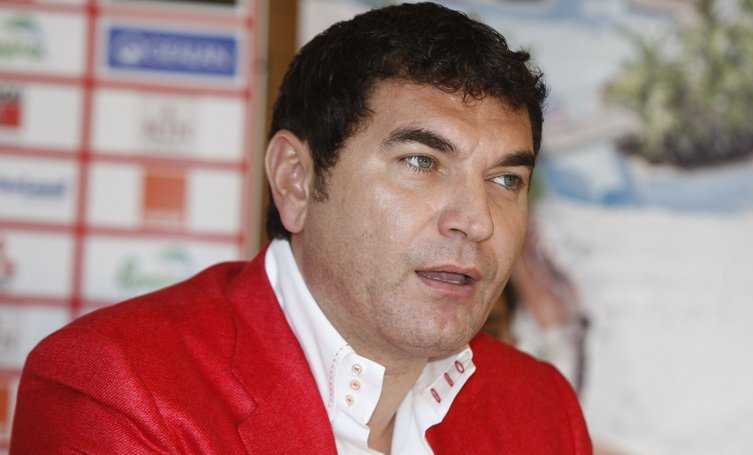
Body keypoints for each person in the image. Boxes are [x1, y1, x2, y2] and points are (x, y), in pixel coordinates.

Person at [10, 3, 592, 454]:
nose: (477, 221)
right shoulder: (117, 390)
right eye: (421, 162)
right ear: (295, 180)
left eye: (506, 179)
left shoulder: (542, 410)